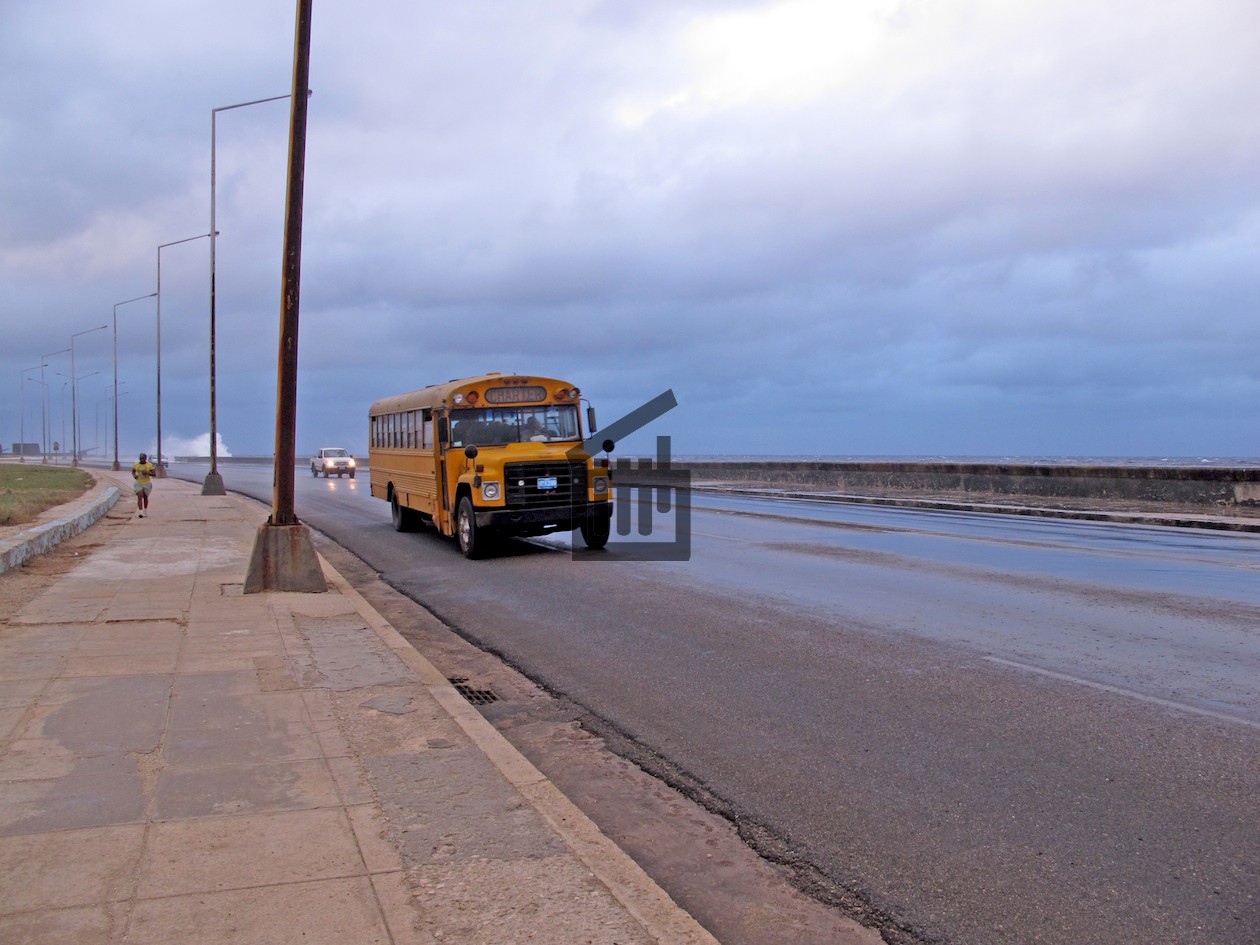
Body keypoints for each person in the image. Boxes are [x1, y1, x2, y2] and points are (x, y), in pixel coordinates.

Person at [132, 452, 156, 517]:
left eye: (143, 458)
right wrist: (134, 475)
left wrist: (147, 472)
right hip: (138, 483)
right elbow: (133, 471)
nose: (142, 459)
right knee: (139, 496)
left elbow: (154, 474)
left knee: (145, 498)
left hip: (147, 483)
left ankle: (145, 510)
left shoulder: (149, 465)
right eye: (141, 458)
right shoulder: (136, 465)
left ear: (146, 458)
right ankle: (140, 512)